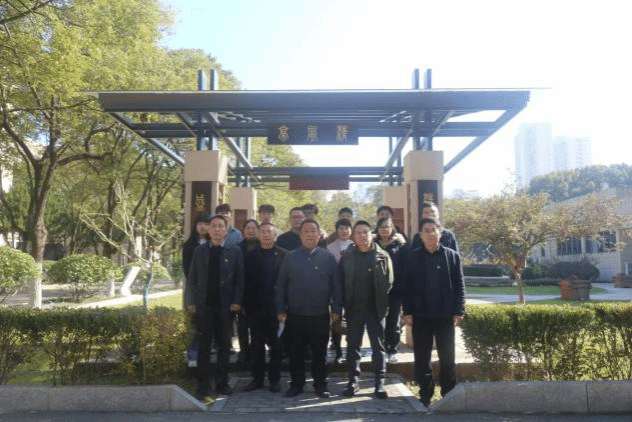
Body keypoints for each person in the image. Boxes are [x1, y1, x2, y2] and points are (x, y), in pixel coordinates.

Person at [402, 218, 465, 408]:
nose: (430, 233)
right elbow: (407, 287)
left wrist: (459, 310)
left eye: (433, 229)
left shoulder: (452, 256)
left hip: (445, 316)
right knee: (422, 359)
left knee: (448, 358)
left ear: (441, 233)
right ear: (420, 235)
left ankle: (448, 393)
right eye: (426, 230)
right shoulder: (412, 257)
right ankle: (425, 394)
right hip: (420, 316)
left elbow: (459, 285)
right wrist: (407, 311)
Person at [276, 219, 342, 398]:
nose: (310, 234)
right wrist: (280, 309)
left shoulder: (328, 258)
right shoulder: (290, 257)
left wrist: (336, 309)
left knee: (320, 353)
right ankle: (296, 385)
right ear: (300, 235)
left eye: (313, 231)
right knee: (296, 352)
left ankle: (321, 385)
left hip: (320, 314)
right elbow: (281, 286)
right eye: (306, 231)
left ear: (319, 234)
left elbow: (336, 287)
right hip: (295, 314)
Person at [185, 215, 245, 400]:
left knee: (224, 346)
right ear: (209, 230)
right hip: (204, 306)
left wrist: (237, 300)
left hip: (225, 307)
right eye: (214, 226)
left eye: (221, 226)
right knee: (203, 347)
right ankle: (202, 386)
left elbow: (240, 279)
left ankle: (222, 383)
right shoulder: (200, 250)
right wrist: (191, 301)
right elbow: (192, 278)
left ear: (226, 230)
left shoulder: (234, 250)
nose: (217, 229)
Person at [339, 221, 393, 399]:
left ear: (372, 234)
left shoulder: (383, 256)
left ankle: (379, 384)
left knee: (378, 347)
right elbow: (340, 283)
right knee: (353, 347)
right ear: (353, 237)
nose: (362, 235)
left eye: (366, 232)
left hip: (375, 309)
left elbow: (389, 282)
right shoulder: (347, 257)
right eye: (359, 232)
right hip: (354, 308)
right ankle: (353, 382)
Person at [242, 222, 287, 393]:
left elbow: (289, 283)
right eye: (263, 231)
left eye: (270, 231)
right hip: (255, 308)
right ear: (258, 235)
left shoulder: (284, 255)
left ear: (275, 235)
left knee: (277, 346)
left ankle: (275, 380)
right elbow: (244, 282)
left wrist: (285, 308)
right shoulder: (249, 256)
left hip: (277, 309)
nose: (266, 234)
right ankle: (257, 379)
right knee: (257, 345)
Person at [375, 217, 408, 363]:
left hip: (395, 290)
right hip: (377, 290)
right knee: (378, 322)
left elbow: (405, 268)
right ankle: (380, 349)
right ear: (377, 229)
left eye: (387, 227)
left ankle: (392, 350)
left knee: (393, 321)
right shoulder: (373, 245)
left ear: (392, 229)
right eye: (381, 227)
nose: (384, 230)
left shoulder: (400, 246)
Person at [182, 212, 213, 368]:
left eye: (207, 224)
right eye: (200, 223)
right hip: (195, 290)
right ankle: (192, 355)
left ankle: (205, 354)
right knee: (194, 325)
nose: (203, 227)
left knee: (209, 325)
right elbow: (188, 271)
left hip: (212, 292)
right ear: (195, 226)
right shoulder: (189, 245)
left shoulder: (214, 245)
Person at [326, 218, 354, 364]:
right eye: (341, 228)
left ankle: (350, 351)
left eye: (347, 228)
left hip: (352, 290)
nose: (344, 231)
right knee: (336, 320)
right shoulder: (329, 248)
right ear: (336, 231)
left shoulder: (355, 246)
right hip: (335, 289)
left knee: (352, 321)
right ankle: (337, 352)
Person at [236, 219, 259, 367]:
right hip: (242, 292)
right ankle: (244, 351)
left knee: (257, 327)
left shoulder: (263, 246)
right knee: (242, 326)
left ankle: (256, 352)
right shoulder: (238, 248)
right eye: (248, 228)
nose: (251, 231)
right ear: (243, 231)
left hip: (259, 293)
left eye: (254, 228)